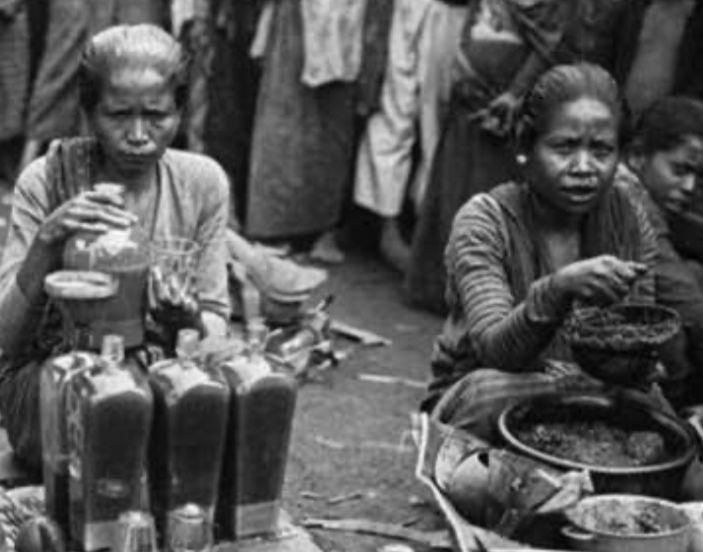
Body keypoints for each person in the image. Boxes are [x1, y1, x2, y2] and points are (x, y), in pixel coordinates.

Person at [0, 23, 325, 471]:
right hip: (57, 376)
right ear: (89, 113)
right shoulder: (47, 180)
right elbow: (8, 339)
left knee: (242, 407)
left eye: (156, 115)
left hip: (163, 372)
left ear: (180, 110)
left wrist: (184, 319)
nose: (138, 134)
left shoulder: (201, 183)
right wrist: (47, 244)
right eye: (118, 115)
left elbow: (212, 328)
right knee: (98, 423)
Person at [422, 63, 661, 442]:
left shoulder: (628, 219)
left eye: (601, 150)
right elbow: (497, 351)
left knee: (659, 414)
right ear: (524, 149)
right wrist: (558, 289)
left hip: (589, 390)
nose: (584, 168)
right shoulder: (485, 220)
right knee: (486, 395)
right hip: (502, 388)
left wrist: (635, 364)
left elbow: (634, 337)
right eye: (564, 147)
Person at [620, 96, 703, 406]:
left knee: (694, 272)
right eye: (680, 169)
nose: (689, 186)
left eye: (697, 175)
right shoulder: (631, 199)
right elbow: (691, 308)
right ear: (639, 155)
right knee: (674, 327)